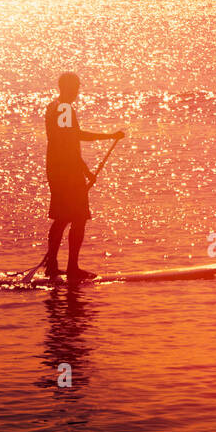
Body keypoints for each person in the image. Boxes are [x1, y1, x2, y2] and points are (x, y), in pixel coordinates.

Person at [42, 72, 124, 281]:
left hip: (59, 169)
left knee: (62, 218)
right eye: (76, 87)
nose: (78, 92)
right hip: (66, 172)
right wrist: (109, 136)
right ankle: (71, 269)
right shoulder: (64, 109)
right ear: (67, 87)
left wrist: (83, 169)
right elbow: (72, 139)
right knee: (78, 218)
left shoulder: (55, 107)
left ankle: (52, 266)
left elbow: (68, 140)